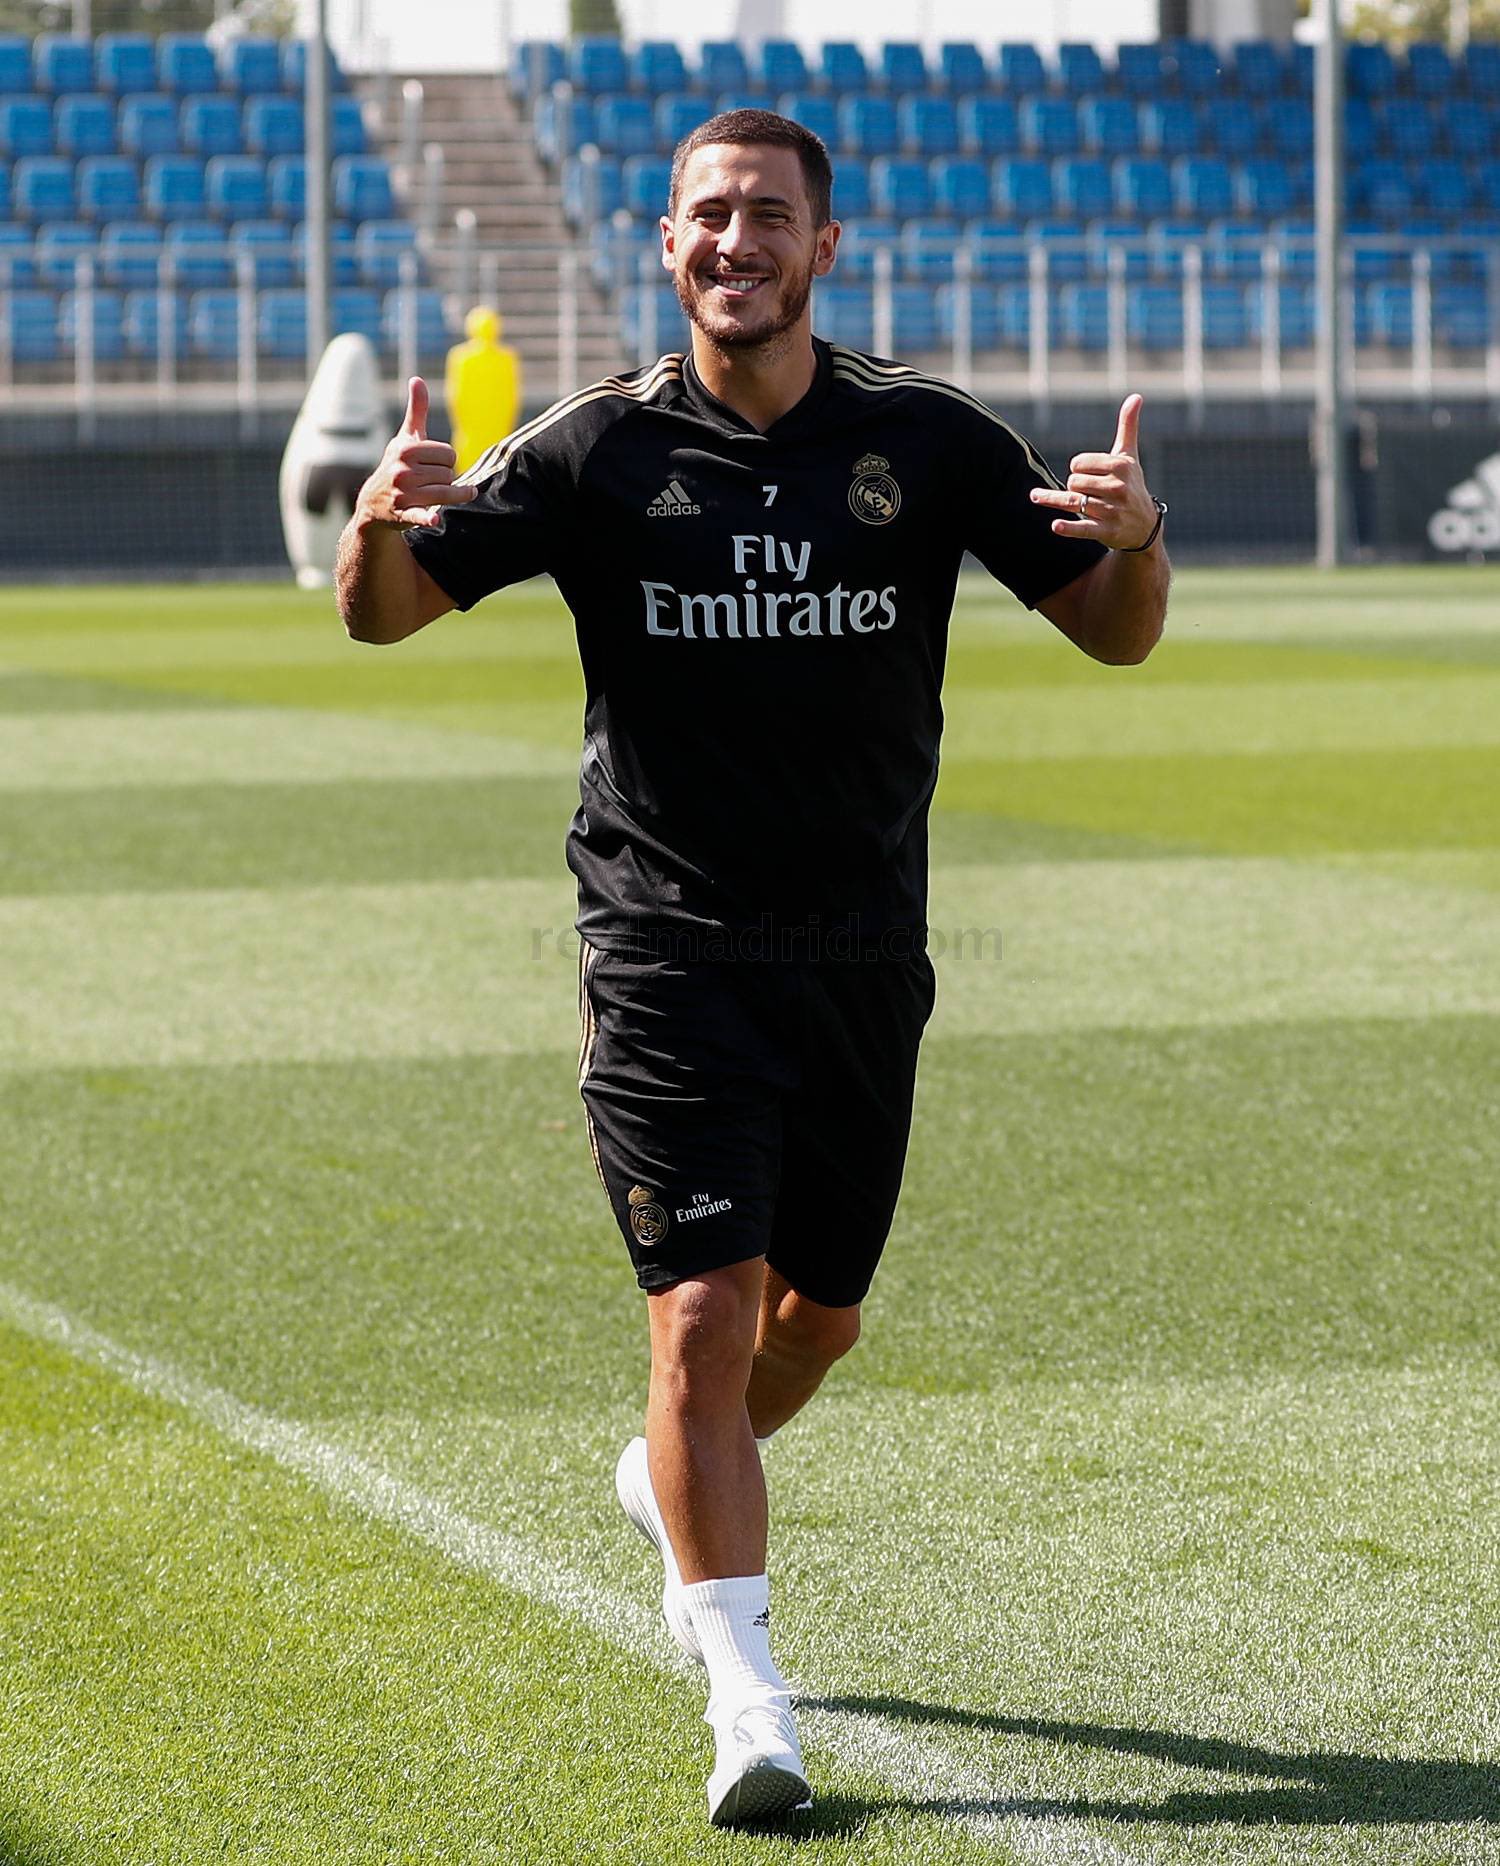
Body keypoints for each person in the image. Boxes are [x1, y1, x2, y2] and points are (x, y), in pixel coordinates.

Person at [333, 108, 1170, 1829]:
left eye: (769, 215)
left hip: (861, 951)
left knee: (818, 1319)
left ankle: (669, 1478)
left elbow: (1111, 631)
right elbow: (385, 611)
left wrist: (1140, 542)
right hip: (665, 947)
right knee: (703, 1313)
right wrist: (376, 522)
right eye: (708, 214)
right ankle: (747, 1696)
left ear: (823, 247)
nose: (737, 241)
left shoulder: (929, 440)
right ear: (666, 244)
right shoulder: (594, 448)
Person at [444, 304, 522, 476]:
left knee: (468, 473)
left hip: (471, 426)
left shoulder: (460, 356)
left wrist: (459, 422)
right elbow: (512, 397)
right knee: (496, 469)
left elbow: (454, 395)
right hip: (495, 424)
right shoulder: (506, 357)